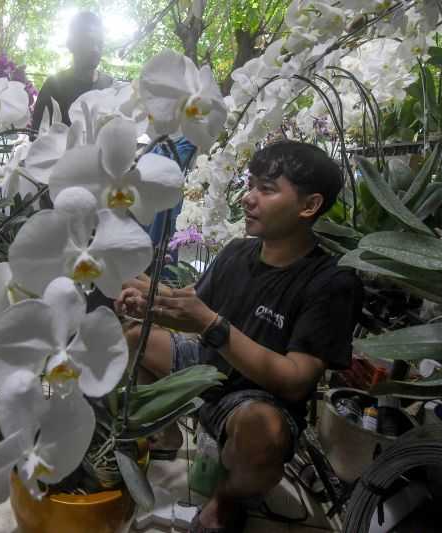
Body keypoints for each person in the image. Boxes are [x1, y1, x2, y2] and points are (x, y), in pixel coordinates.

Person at [115, 141, 364, 533]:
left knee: (264, 431)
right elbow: (192, 305)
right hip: (206, 365)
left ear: (309, 206)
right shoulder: (236, 252)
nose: (248, 198)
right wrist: (149, 301)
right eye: (250, 186)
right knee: (134, 338)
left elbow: (296, 380)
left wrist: (213, 326)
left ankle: (227, 500)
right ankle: (162, 435)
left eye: (266, 189)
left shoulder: (331, 281)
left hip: (255, 399)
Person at [30, 11, 113, 133]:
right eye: (88, 42)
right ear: (71, 44)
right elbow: (36, 139)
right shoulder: (53, 86)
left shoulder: (109, 85)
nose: (95, 49)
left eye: (99, 43)